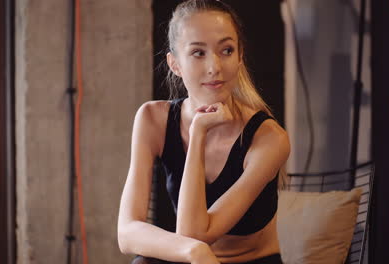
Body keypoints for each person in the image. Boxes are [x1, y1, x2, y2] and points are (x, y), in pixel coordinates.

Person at [118, 0, 290, 263]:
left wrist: (198, 133)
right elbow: (127, 233)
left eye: (227, 50)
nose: (215, 67)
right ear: (175, 64)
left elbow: (194, 233)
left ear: (240, 56)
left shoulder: (269, 138)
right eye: (198, 53)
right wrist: (193, 251)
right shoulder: (152, 119)